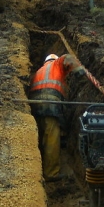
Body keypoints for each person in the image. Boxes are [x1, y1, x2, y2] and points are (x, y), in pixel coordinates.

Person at [29, 53, 85, 181]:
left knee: (40, 135)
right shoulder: (56, 64)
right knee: (51, 136)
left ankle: (37, 168)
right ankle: (51, 172)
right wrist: (79, 71)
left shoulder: (38, 71)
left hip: (34, 103)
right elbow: (68, 57)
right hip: (49, 101)